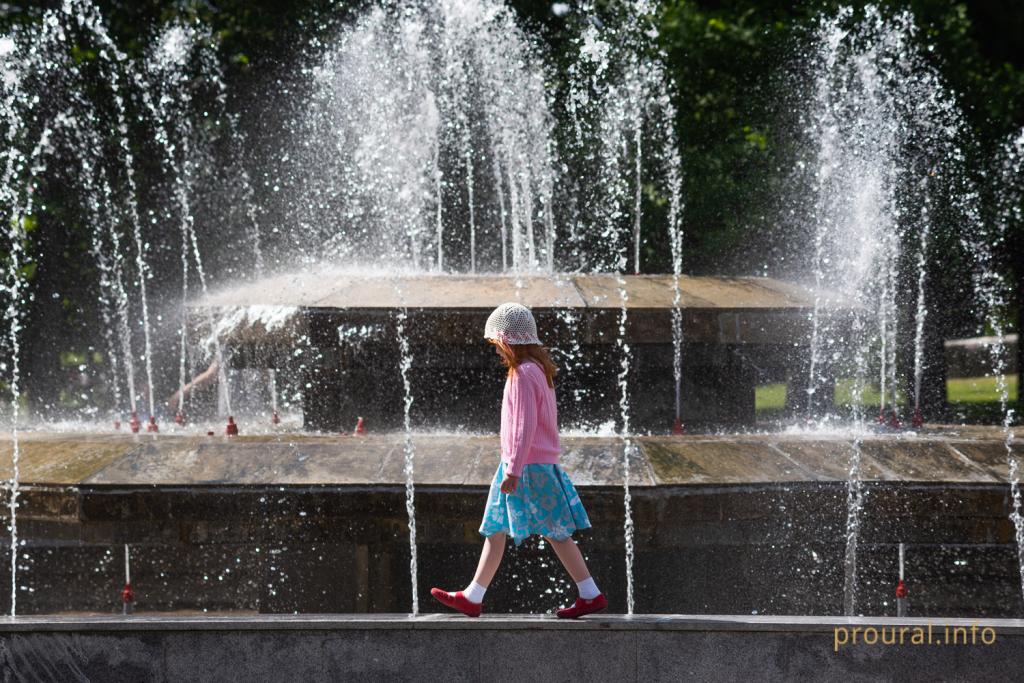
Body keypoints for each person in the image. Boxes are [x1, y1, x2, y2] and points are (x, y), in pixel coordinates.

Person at [430, 302, 607, 619]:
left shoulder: (523, 374)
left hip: (525, 466)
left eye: (496, 344)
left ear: (508, 340)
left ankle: (590, 593)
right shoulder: (539, 371)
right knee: (501, 528)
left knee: (553, 532)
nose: (496, 351)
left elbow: (523, 426)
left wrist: (512, 470)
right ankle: (474, 595)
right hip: (531, 463)